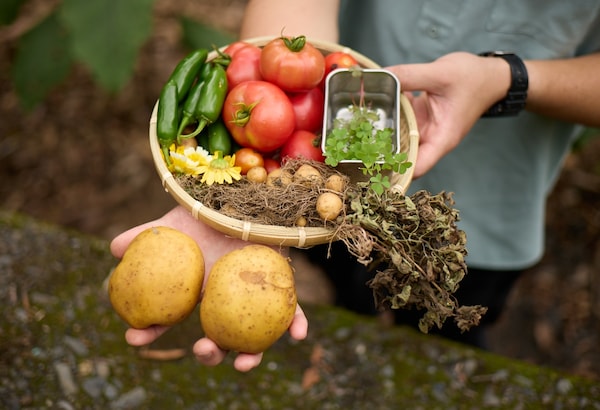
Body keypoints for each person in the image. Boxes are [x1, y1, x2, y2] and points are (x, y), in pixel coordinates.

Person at [111, 0, 600, 371]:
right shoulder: (309, 185)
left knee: (447, 317)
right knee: (351, 281)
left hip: (490, 204)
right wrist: (291, 82)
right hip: (328, 199)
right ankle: (358, 330)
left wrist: (508, 78)